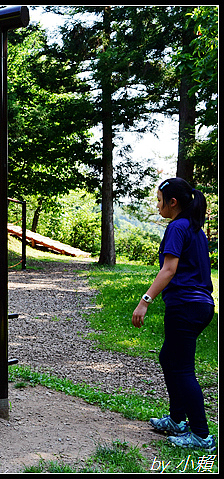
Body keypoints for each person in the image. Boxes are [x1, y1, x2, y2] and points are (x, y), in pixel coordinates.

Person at [131, 177, 216, 452]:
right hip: (200, 305)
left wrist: (145, 301)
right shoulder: (194, 229)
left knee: (182, 369)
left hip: (186, 305)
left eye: (159, 200)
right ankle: (178, 420)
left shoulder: (177, 228)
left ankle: (201, 435)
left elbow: (169, 270)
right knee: (170, 358)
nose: (157, 206)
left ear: (173, 202)